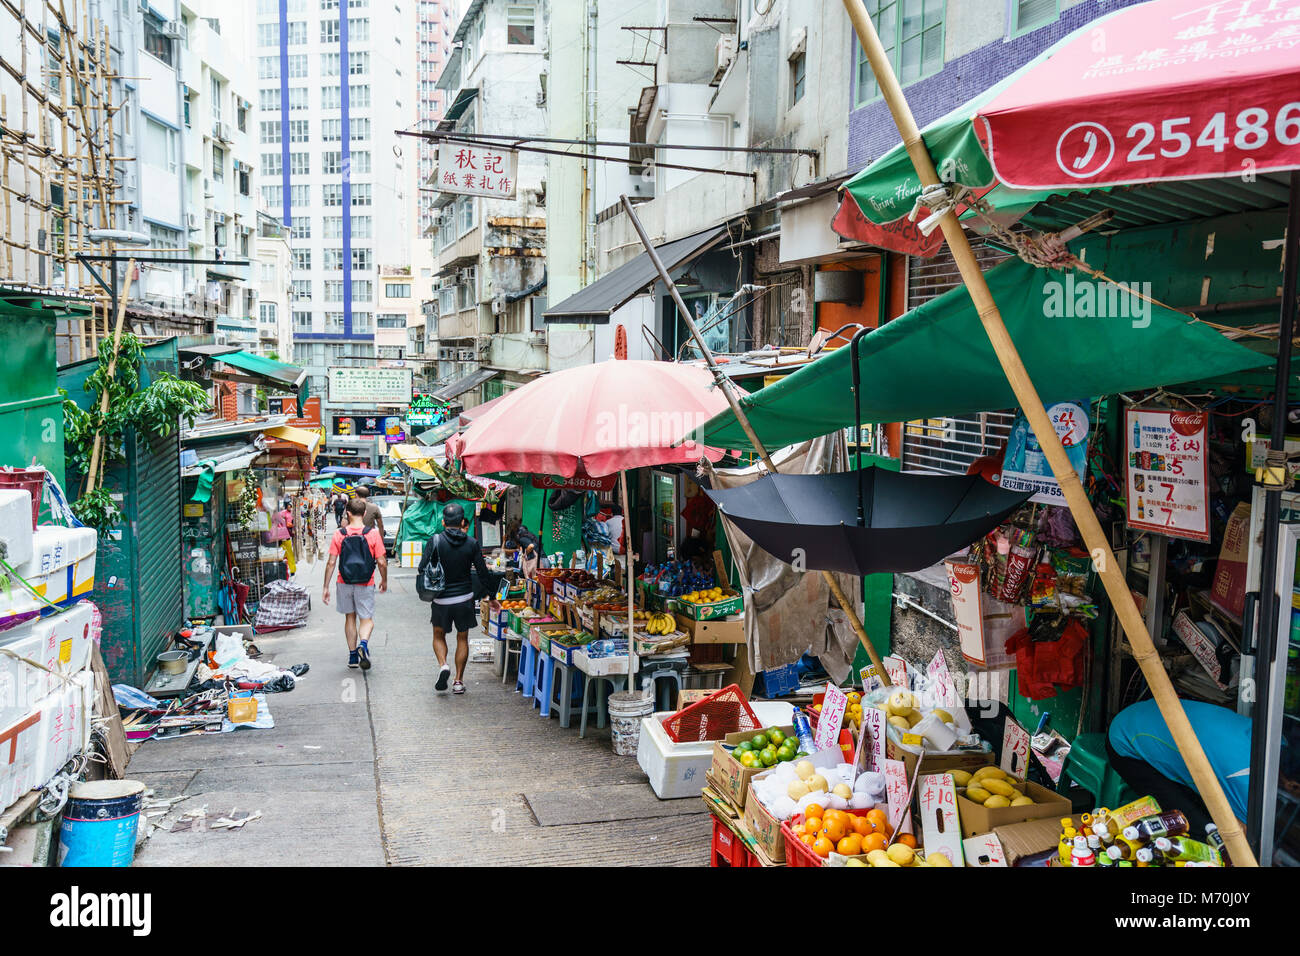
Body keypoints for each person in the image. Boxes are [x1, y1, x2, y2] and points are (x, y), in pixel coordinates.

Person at [1107, 697, 1251, 835]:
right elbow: (1239, 831)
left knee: (1203, 804)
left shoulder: (1264, 736)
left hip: (1149, 714)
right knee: (1196, 825)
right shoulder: (1245, 786)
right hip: (1127, 738)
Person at [418, 502, 490, 695]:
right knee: (462, 637)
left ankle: (443, 665)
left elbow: (421, 568)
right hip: (464, 598)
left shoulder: (435, 541)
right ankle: (458, 681)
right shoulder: (472, 543)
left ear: (443, 522)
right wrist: (490, 595)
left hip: (441, 599)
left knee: (438, 635)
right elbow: (482, 573)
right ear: (462, 522)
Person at [322, 497, 388, 670]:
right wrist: (384, 580)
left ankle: (352, 657)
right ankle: (363, 644)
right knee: (367, 619)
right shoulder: (372, 533)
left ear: (348, 513)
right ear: (365, 513)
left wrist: (325, 587)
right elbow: (381, 562)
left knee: (350, 618)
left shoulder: (339, 534)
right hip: (366, 582)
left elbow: (331, 562)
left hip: (344, 581)